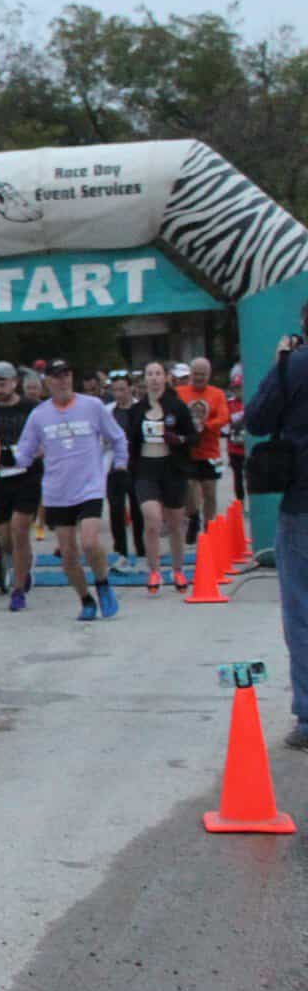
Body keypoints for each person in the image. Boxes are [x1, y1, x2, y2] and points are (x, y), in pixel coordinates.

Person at [15, 358, 129, 622]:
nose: (63, 380)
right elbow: (24, 452)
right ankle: (85, 599)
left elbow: (117, 437)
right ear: (48, 382)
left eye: (67, 375)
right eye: (57, 376)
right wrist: (1, 460)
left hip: (89, 486)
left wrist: (120, 464)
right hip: (57, 491)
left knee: (89, 541)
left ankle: (102, 583)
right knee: (68, 553)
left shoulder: (93, 406)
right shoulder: (39, 415)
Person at [244, 311, 308, 749]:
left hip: (302, 503)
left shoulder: (294, 366)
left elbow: (257, 421)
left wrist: (281, 363)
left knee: (302, 615)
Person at [119, 361, 197, 595]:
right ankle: (154, 571)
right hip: (146, 470)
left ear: (165, 378)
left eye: (158, 374)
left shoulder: (177, 407)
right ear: (144, 380)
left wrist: (180, 440)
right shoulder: (137, 409)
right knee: (151, 519)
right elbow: (129, 440)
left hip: (172, 469)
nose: (153, 378)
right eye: (149, 374)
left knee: (175, 523)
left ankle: (178, 569)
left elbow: (194, 437)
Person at [0, 361, 41, 611]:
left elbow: (46, 437)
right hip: (0, 479)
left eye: (3, 383)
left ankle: (18, 590)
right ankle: (23, 566)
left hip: (27, 476)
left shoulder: (32, 408)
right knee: (5, 538)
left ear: (15, 383)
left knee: (19, 530)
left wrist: (34, 452)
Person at [177, 356, 232, 534]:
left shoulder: (217, 394)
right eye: (195, 374)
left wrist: (206, 426)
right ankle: (193, 516)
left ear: (209, 374)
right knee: (189, 489)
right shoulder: (180, 392)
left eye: (202, 374)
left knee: (210, 491)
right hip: (188, 452)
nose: (199, 377)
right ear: (190, 374)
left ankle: (210, 526)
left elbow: (224, 417)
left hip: (211, 451)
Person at [106, 372, 142, 567]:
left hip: (136, 466)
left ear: (130, 389)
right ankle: (120, 549)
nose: (119, 393)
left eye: (122, 389)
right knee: (115, 509)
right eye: (115, 390)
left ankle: (141, 547)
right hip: (114, 467)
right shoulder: (108, 411)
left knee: (138, 509)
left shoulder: (140, 409)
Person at [227, 366, 248, 504]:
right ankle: (240, 502)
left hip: (247, 447)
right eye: (236, 388)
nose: (238, 391)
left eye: (240, 388)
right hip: (234, 448)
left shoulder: (250, 403)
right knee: (237, 477)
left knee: (250, 476)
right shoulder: (229, 404)